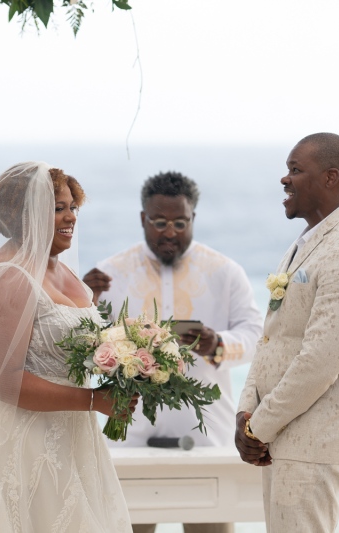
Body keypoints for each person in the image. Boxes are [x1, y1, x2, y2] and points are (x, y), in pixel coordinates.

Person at [0, 162, 138, 532]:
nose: (70, 218)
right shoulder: (7, 277)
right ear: (23, 216)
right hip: (17, 434)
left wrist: (127, 366)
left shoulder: (62, 271)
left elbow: (64, 351)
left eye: (72, 207)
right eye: (56, 208)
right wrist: (95, 401)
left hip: (67, 427)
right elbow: (1, 382)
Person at [83, 171, 263, 533]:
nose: (170, 232)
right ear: (142, 219)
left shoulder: (226, 273)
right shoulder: (108, 275)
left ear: (193, 218)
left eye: (180, 222)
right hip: (129, 436)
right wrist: (85, 302)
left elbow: (258, 337)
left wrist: (219, 345)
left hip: (208, 432)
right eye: (160, 222)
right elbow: (83, 349)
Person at [235, 133, 339, 533]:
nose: (285, 180)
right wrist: (244, 411)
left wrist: (259, 426)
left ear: (330, 177)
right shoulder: (307, 243)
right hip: (283, 436)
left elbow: (321, 360)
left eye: (295, 170)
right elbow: (273, 337)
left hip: (313, 441)